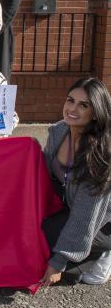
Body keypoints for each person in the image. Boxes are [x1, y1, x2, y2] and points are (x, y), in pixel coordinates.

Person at [41, 77, 111, 286]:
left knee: (56, 259)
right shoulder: (58, 131)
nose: (72, 108)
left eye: (83, 105)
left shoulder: (101, 154)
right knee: (31, 233)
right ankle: (79, 256)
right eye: (70, 100)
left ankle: (103, 254)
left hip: (102, 221)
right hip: (68, 207)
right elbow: (41, 173)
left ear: (96, 113)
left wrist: (58, 263)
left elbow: (86, 215)